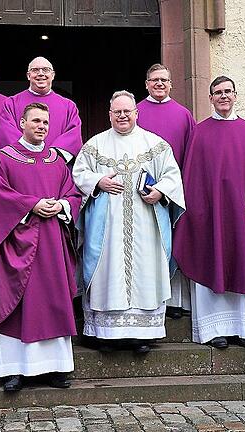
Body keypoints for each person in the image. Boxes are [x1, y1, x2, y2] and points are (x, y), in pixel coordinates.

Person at [0, 102, 81, 392]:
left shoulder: (56, 160)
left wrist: (61, 204)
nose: (41, 126)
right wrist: (31, 205)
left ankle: (55, 367)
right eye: (35, 121)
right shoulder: (4, 158)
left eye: (45, 122)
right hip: (15, 244)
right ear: (22, 123)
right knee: (16, 303)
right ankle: (12, 369)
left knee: (52, 302)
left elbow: (72, 193)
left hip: (52, 244)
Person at [73, 91, 185, 354]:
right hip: (107, 227)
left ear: (136, 113)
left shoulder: (155, 144)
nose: (122, 116)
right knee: (106, 270)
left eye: (127, 111)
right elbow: (79, 174)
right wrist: (98, 182)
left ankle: (142, 334)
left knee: (145, 271)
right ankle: (105, 333)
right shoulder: (95, 145)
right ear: (109, 114)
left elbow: (172, 175)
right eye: (117, 112)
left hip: (145, 223)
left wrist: (160, 192)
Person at [172, 76, 245, 349]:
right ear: (210, 98)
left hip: (242, 216)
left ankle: (244, 329)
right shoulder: (200, 132)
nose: (223, 96)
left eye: (228, 91)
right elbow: (190, 177)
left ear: (236, 95)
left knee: (244, 263)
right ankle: (214, 329)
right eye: (218, 92)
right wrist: (196, 213)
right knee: (211, 259)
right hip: (210, 215)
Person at [136, 63, 196, 320]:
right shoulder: (134, 111)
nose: (159, 84)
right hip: (141, 193)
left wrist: (172, 187)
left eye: (164, 80)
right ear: (146, 83)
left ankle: (175, 300)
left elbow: (192, 154)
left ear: (171, 84)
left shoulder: (183, 115)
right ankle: (147, 296)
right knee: (147, 243)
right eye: (154, 80)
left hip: (174, 191)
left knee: (174, 241)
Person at [0, 56, 82, 160]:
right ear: (28, 75)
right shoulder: (11, 103)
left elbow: (73, 136)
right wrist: (30, 154)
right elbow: (7, 134)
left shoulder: (68, 106)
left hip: (56, 166)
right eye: (35, 70)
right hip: (22, 164)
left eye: (45, 70)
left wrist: (51, 157)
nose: (40, 73)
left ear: (52, 75)